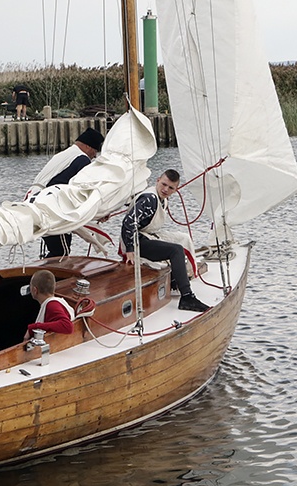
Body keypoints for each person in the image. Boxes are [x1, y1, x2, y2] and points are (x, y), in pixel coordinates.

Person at [120, 169, 212, 313]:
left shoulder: (161, 199)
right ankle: (187, 296)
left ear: (176, 190)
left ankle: (177, 280)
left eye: (171, 188)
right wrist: (130, 250)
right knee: (175, 250)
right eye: (164, 184)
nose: (165, 189)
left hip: (145, 235)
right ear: (157, 180)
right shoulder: (149, 199)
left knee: (183, 239)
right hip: (135, 241)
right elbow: (128, 222)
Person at [26, 127, 104, 258]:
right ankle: (50, 277)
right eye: (94, 151)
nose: (94, 156)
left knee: (58, 248)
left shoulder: (65, 154)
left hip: (35, 201)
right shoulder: (82, 159)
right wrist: (100, 211)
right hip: (49, 208)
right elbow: (85, 191)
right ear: (86, 146)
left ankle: (45, 274)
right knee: (61, 251)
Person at [26, 270, 75, 337]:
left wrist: (33, 328)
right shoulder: (60, 302)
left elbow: (67, 326)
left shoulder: (52, 305)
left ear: (35, 290)